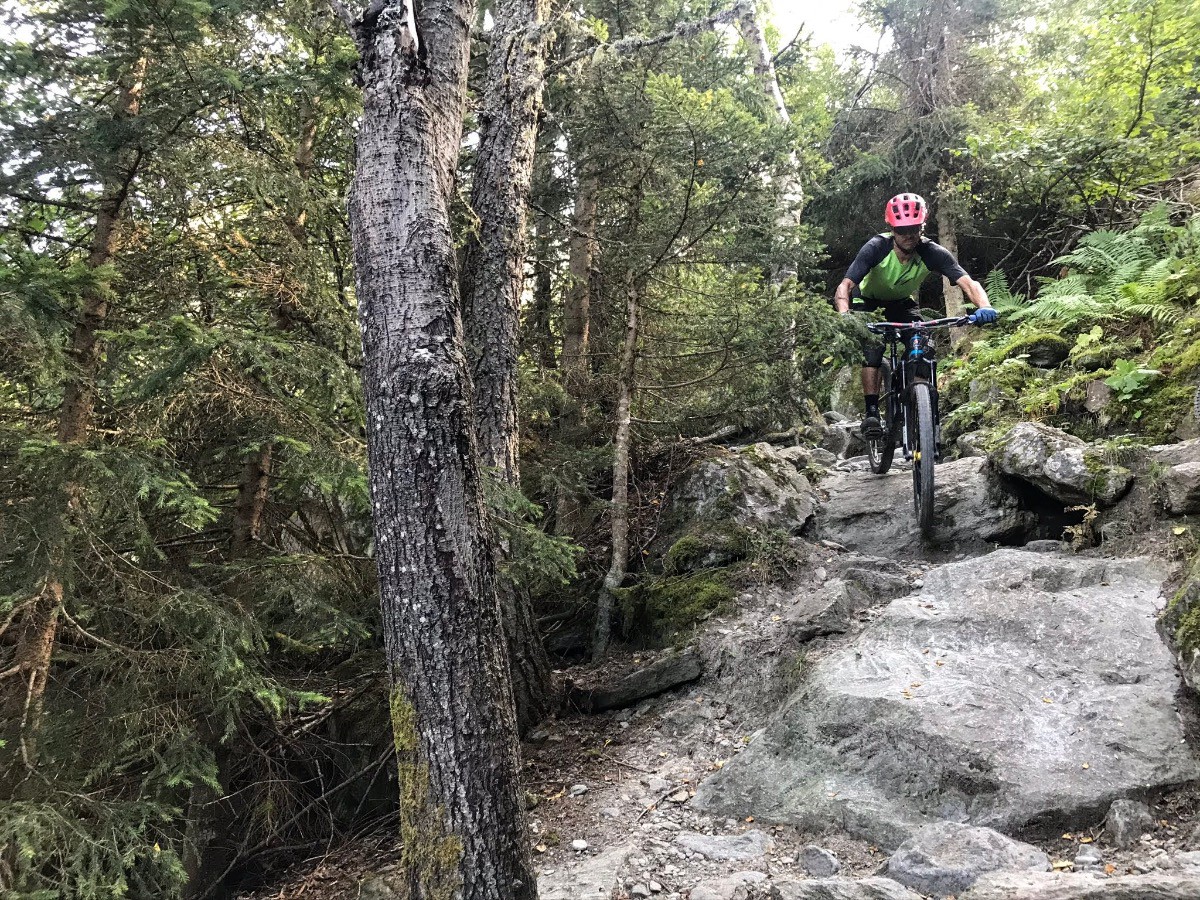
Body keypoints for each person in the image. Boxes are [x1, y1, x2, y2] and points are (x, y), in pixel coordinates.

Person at [833, 192, 997, 437]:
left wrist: (984, 307)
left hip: (901, 303)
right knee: (872, 350)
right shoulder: (876, 247)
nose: (909, 235)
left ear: (922, 226)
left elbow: (968, 282)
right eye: (902, 230)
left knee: (921, 344)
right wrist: (845, 316)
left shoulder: (932, 251)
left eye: (914, 229)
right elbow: (844, 287)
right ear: (892, 229)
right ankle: (871, 414)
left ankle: (919, 402)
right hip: (868, 302)